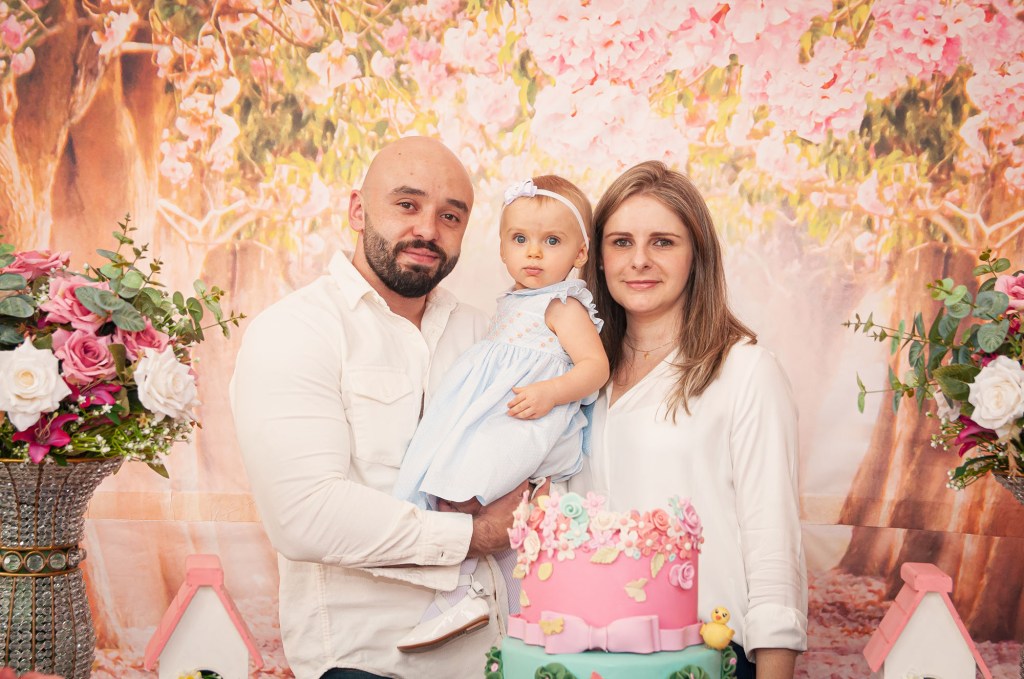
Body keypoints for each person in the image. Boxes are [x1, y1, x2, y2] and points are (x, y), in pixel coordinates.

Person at [230, 136, 529, 679]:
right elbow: (306, 516)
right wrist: (478, 535)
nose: (428, 230)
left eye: (450, 216)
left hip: (503, 661)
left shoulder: (485, 333)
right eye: (407, 204)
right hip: (369, 665)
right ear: (358, 210)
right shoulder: (296, 331)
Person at [572, 160, 807, 679]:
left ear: (697, 255)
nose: (639, 260)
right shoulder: (575, 379)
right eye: (621, 242)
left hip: (709, 657)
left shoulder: (746, 371)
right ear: (598, 259)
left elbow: (773, 546)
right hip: (588, 660)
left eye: (663, 242)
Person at [391, 176, 609, 652]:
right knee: (487, 514)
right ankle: (511, 611)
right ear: (502, 248)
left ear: (580, 253)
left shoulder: (562, 305)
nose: (534, 252)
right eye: (520, 238)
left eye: (552, 241)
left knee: (464, 495)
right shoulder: (514, 301)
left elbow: (595, 367)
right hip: (503, 419)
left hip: (530, 422)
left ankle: (461, 598)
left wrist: (552, 391)